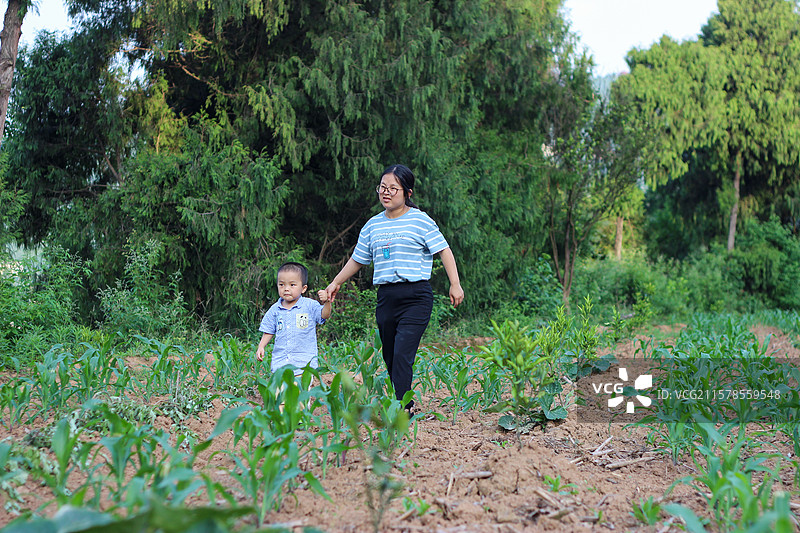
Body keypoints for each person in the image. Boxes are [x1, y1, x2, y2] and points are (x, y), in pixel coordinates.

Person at [324, 164, 464, 415]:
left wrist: (455, 283)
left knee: (401, 353)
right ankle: (402, 398)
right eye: (382, 187)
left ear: (407, 192)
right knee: (389, 353)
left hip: (416, 296)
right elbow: (358, 259)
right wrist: (336, 282)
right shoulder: (372, 226)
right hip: (387, 297)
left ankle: (404, 407)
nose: (386, 193)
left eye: (393, 189)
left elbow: (443, 250)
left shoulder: (420, 220)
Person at [257, 262, 332, 377]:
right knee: (279, 392)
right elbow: (269, 330)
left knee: (299, 392)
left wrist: (327, 301)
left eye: (292, 285)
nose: (286, 289)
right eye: (281, 285)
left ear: (303, 288)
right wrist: (261, 346)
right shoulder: (275, 309)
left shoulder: (309, 306)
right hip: (280, 364)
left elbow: (324, 315)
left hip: (304, 365)